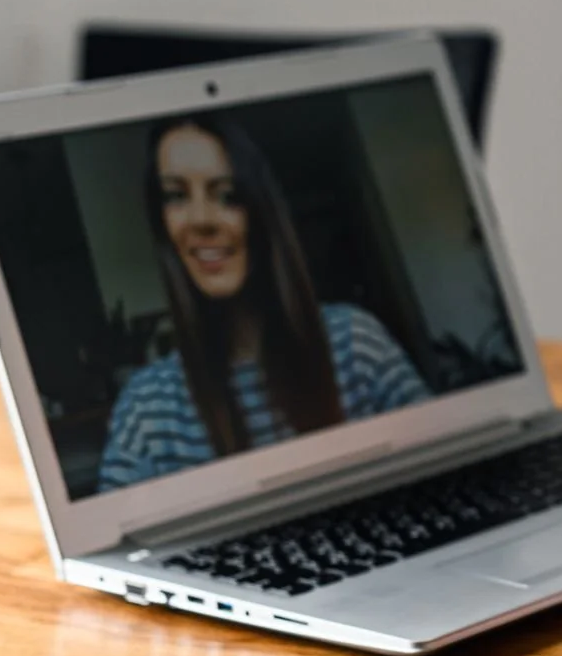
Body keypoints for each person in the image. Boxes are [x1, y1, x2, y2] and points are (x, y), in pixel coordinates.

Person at [97, 115, 431, 492]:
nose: (201, 220)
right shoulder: (146, 408)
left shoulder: (356, 344)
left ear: (261, 212)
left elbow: (444, 469)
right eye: (176, 196)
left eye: (227, 195)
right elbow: (116, 545)